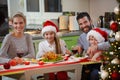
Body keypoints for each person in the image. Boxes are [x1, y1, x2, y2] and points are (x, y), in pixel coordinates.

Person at [0, 12, 35, 80]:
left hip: (25, 67)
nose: (18, 26)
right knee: (25, 78)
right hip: (12, 70)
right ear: (12, 24)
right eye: (16, 23)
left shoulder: (28, 37)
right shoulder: (8, 37)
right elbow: (1, 57)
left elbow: (32, 55)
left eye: (21, 23)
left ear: (24, 23)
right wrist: (11, 61)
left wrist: (21, 59)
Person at [76, 12, 111, 80]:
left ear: (91, 21)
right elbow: (80, 51)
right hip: (89, 64)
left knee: (94, 74)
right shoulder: (81, 37)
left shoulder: (103, 31)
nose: (83, 25)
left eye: (85, 22)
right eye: (80, 24)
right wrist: (78, 50)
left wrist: (98, 46)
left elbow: (114, 42)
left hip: (104, 64)